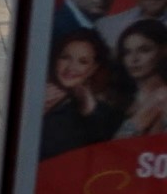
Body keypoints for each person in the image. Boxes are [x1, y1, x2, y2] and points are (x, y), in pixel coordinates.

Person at [39, 30, 123, 159]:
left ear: (93, 68)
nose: (71, 68)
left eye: (83, 62)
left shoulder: (105, 113)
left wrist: (90, 110)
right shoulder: (31, 93)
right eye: (65, 57)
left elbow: (108, 154)